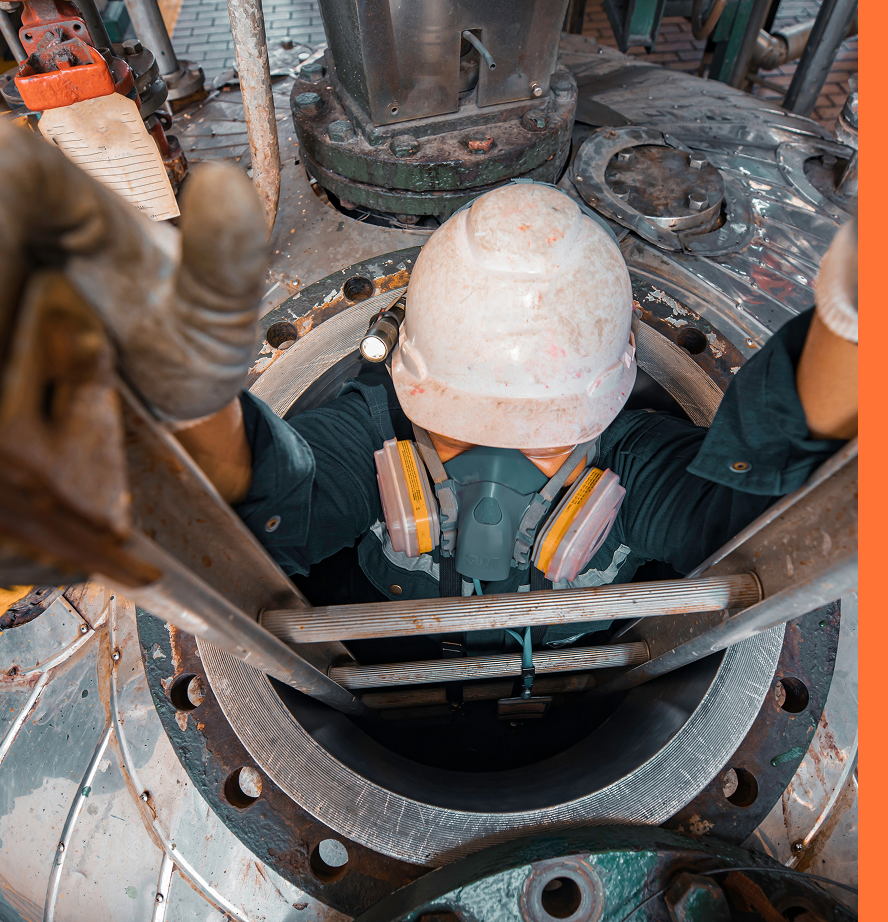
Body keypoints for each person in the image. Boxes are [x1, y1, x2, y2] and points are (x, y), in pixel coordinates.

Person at [0, 123, 858, 658]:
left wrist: (851, 324)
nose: (495, 469)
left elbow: (754, 508)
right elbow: (266, 518)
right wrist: (196, 404)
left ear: (609, 409)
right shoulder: (375, 429)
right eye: (454, 429)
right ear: (406, 388)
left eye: (545, 435)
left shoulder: (633, 454)